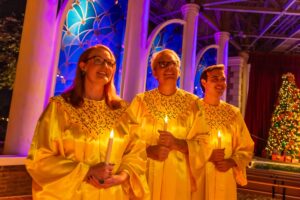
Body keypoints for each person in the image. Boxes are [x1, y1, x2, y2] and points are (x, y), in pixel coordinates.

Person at [25, 44, 149, 200]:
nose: (105, 66)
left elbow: (137, 153)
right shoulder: (60, 108)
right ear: (83, 66)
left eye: (110, 63)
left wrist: (122, 177)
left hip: (113, 194)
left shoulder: (123, 111)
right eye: (98, 60)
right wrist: (86, 171)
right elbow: (40, 159)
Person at [123, 49, 199, 200]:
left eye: (173, 64)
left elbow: (205, 143)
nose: (169, 68)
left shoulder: (194, 104)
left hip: (179, 180)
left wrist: (178, 143)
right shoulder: (140, 102)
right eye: (163, 64)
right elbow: (125, 139)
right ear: (155, 72)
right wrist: (149, 150)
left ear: (179, 71)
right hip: (145, 176)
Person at [188, 64, 254, 200]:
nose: (220, 83)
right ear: (204, 82)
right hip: (198, 176)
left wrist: (231, 162)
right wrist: (206, 154)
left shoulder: (233, 113)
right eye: (215, 79)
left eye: (223, 79)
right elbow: (183, 144)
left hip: (224, 177)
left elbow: (246, 147)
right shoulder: (192, 110)